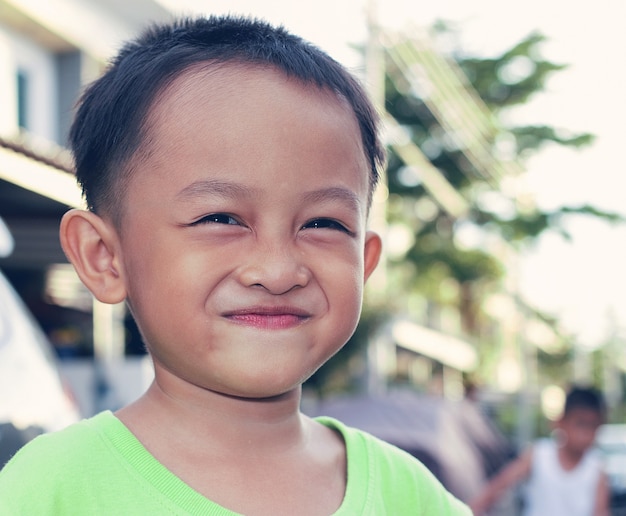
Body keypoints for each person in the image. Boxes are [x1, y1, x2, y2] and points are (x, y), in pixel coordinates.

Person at [0, 15, 470, 515]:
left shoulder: (410, 495)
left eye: (323, 224)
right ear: (104, 257)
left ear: (365, 261)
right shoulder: (53, 487)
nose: (278, 269)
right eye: (221, 217)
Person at [469, 385, 610, 516]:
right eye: (581, 424)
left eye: (594, 426)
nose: (586, 434)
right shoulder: (540, 455)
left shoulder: (596, 467)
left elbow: (600, 512)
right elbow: (498, 487)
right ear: (561, 422)